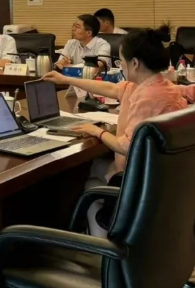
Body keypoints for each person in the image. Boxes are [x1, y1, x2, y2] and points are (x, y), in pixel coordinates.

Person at [43, 28, 187, 237]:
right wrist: (67, 80)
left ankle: (100, 241)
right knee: (96, 166)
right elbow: (111, 89)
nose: (121, 67)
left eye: (121, 62)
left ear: (135, 63)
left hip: (139, 179)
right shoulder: (162, 87)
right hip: (164, 179)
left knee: (90, 183)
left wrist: (97, 131)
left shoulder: (147, 98)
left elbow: (126, 146)